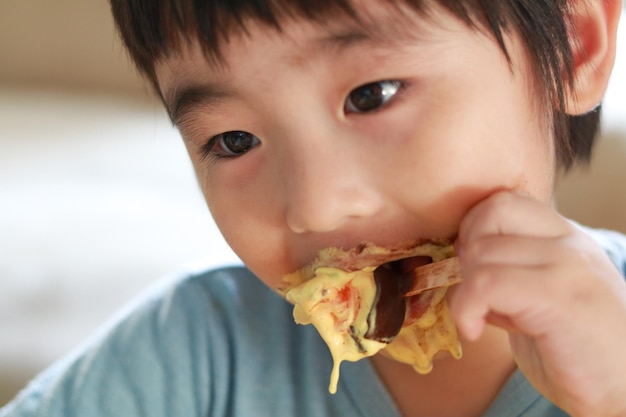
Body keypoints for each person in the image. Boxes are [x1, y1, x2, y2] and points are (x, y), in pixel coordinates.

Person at [2, 0, 625, 416]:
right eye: (234, 141)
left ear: (575, 44)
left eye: (371, 96)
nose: (316, 207)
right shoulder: (192, 355)